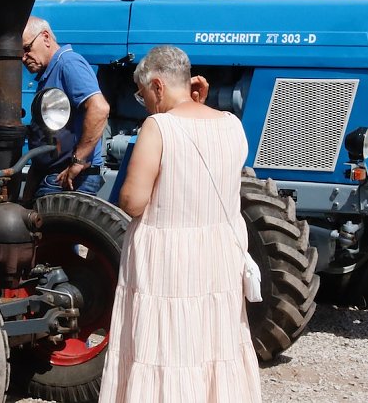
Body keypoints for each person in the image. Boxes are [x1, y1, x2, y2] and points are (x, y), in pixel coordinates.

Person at [99, 45, 261, 403]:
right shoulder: (232, 125)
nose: (145, 104)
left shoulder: (159, 127)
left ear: (157, 86)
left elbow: (133, 201)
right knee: (211, 342)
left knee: (166, 344)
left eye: (143, 95)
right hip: (219, 254)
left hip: (169, 257)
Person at [22, 15, 110, 199]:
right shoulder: (50, 72)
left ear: (46, 37)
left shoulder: (68, 64)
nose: (23, 58)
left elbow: (99, 108)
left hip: (67, 179)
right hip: (52, 176)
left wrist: (78, 161)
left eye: (27, 48)